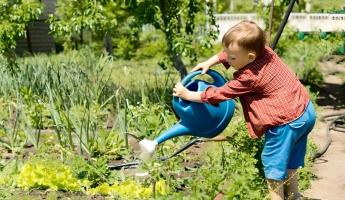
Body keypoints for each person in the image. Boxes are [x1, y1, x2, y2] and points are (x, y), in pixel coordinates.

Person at [172, 20, 316, 200]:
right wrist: (211, 60)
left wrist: (188, 95)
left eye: (232, 58)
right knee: (292, 157)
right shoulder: (265, 51)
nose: (228, 59)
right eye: (227, 55)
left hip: (286, 123)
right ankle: (294, 195)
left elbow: (221, 93)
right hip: (305, 112)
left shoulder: (250, 77)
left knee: (273, 163)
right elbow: (234, 52)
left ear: (250, 57)